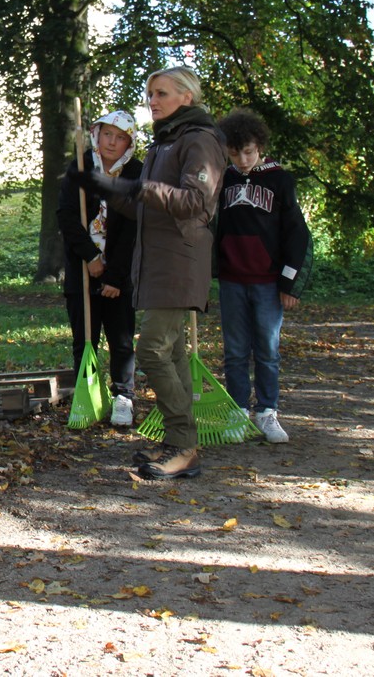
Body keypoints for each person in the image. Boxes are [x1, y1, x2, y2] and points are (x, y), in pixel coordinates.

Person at [80, 66, 224, 480]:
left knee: (152, 350)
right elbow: (145, 206)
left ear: (187, 97)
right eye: (150, 93)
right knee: (173, 352)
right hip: (157, 262)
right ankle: (181, 442)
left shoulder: (200, 140)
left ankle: (183, 444)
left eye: (161, 93)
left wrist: (142, 189)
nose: (152, 101)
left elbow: (194, 202)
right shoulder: (166, 142)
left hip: (179, 261)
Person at [215, 108, 312, 443]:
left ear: (260, 147)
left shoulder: (280, 180)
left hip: (269, 283)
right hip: (231, 280)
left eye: (249, 152)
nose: (242, 160)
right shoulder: (222, 180)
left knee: (268, 349)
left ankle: (267, 411)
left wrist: (290, 283)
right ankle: (238, 411)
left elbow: (297, 235)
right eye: (235, 152)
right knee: (235, 350)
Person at [56, 110, 142, 426]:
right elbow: (66, 215)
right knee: (85, 337)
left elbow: (133, 228)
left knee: (121, 338)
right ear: (97, 134)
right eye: (107, 134)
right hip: (82, 267)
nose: (112, 142)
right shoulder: (80, 166)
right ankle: (87, 393)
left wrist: (115, 275)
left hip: (120, 273)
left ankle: (123, 397)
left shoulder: (135, 173)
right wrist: (90, 258)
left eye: (120, 137)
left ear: (129, 143)